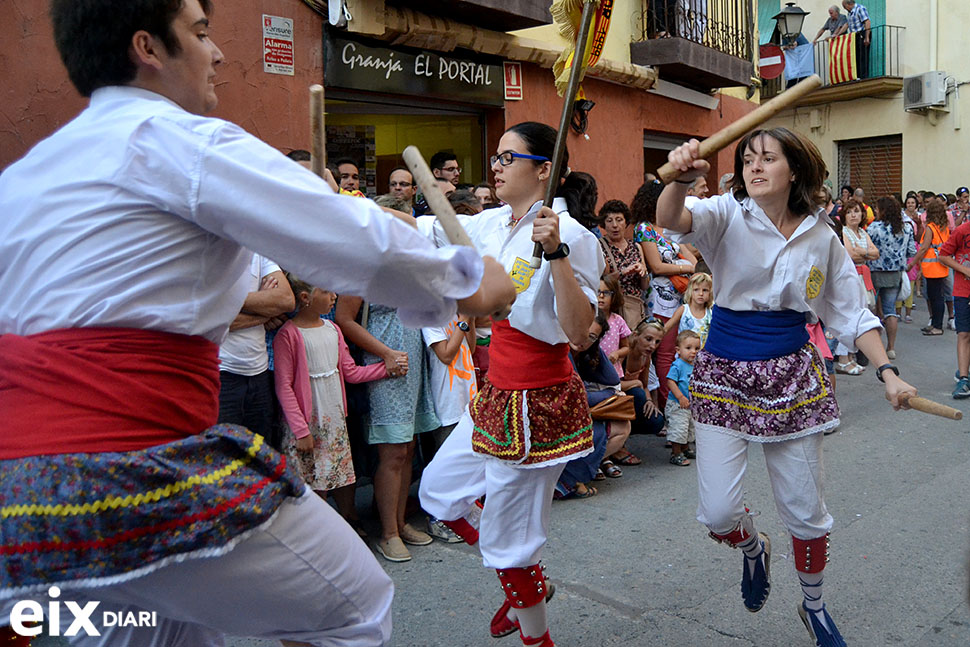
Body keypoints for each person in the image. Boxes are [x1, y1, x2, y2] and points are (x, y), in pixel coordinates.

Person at [0, 1, 516, 644]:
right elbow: (347, 235)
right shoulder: (178, 141)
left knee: (169, 633)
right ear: (148, 47)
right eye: (200, 32)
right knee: (352, 609)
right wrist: (467, 280)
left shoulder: (26, 179)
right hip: (124, 473)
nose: (216, 53)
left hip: (20, 495)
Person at [659, 127, 916, 647]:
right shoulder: (726, 214)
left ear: (793, 170)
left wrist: (887, 371)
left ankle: (814, 606)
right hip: (724, 374)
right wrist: (680, 178)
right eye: (748, 158)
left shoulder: (822, 237)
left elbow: (851, 312)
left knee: (805, 509)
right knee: (719, 513)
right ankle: (755, 548)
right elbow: (670, 218)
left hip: (792, 377)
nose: (754, 167)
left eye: (767, 158)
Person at [419, 121, 603, 647]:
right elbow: (424, 231)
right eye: (496, 158)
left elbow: (576, 333)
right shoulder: (491, 224)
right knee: (438, 493)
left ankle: (532, 623)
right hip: (495, 393)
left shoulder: (576, 237)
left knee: (510, 544)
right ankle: (525, 586)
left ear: (543, 170)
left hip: (539, 400)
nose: (495, 167)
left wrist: (558, 255)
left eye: (507, 158)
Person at [274, 275, 388, 526]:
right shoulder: (289, 335)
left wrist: (386, 368)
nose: (334, 297)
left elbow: (350, 372)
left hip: (332, 420)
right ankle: (313, 532)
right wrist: (301, 430)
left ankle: (332, 529)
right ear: (306, 298)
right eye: (327, 292)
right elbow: (283, 386)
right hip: (306, 424)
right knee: (310, 485)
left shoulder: (333, 330)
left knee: (329, 477)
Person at [631, 180, 696, 410]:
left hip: (679, 299)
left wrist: (684, 266)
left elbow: (695, 261)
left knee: (671, 352)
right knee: (658, 354)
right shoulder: (644, 228)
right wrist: (683, 267)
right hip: (657, 301)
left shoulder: (670, 228)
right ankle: (664, 408)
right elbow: (656, 266)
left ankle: (671, 406)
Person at [217, 255, 293, 448]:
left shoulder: (258, 252)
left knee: (259, 458)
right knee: (222, 458)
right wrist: (264, 310)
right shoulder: (211, 256)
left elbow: (286, 300)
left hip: (259, 375)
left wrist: (227, 300)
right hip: (221, 374)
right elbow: (215, 318)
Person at [866, 196, 916, 358]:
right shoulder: (906, 228)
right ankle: (891, 348)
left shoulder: (874, 228)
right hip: (895, 273)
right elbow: (911, 252)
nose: (875, 211)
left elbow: (866, 248)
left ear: (883, 210)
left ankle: (874, 347)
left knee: (872, 310)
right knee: (890, 310)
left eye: (877, 208)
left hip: (874, 272)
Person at [599, 199, 648, 328]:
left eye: (619, 219)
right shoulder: (599, 246)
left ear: (626, 222)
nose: (615, 225)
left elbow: (644, 286)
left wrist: (643, 272)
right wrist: (623, 272)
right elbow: (603, 279)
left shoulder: (636, 247)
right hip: (612, 307)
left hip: (634, 307)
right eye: (609, 221)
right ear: (603, 224)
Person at [938, 215, 970, 398]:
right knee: (964, 333)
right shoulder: (962, 230)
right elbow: (943, 255)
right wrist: (964, 269)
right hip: (963, 291)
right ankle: (964, 378)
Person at [910, 200, 951, 336]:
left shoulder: (931, 228)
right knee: (938, 296)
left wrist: (912, 264)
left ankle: (937, 326)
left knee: (935, 298)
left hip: (932, 267)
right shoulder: (944, 227)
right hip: (942, 266)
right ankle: (935, 323)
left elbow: (923, 249)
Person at [665, 330, 700, 466]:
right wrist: (680, 396)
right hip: (678, 404)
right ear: (678, 350)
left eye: (697, 348)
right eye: (689, 348)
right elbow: (670, 381)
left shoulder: (696, 365)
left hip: (691, 404)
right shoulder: (678, 365)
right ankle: (676, 453)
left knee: (689, 428)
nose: (693, 351)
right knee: (678, 428)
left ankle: (685, 448)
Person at [663, 272, 713, 347]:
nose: (701, 293)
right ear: (690, 291)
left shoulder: (710, 313)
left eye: (705, 290)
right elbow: (666, 328)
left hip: (703, 356)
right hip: (684, 356)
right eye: (696, 290)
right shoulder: (684, 310)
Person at [834, 0, 871, 78]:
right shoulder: (849, 13)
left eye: (844, 7)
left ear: (848, 4)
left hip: (862, 34)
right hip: (854, 36)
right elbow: (847, 24)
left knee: (863, 56)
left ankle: (864, 76)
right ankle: (858, 76)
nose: (845, 9)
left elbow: (867, 21)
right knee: (856, 56)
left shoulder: (860, 8)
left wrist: (867, 37)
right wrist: (838, 34)